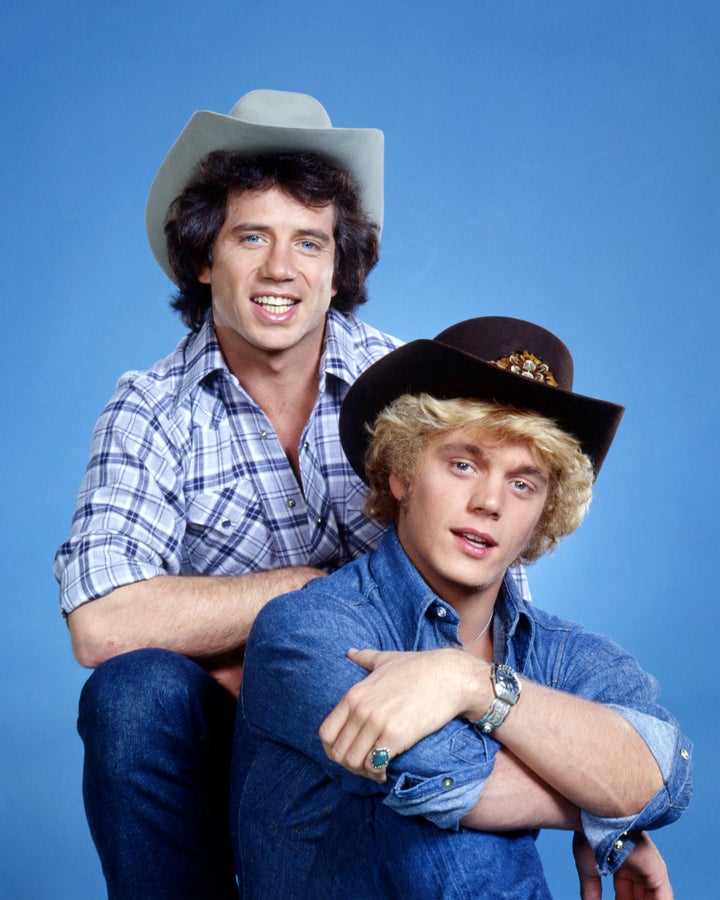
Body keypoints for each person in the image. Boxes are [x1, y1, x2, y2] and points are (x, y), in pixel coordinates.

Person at [53, 90, 405, 898]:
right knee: (132, 694)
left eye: (309, 243)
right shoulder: (149, 407)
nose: (281, 269)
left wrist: (259, 651)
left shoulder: (410, 389)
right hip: (218, 747)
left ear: (337, 266)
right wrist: (305, 593)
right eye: (253, 236)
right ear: (205, 255)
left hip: (377, 722)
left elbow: (492, 612)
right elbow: (105, 624)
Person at [235, 316, 693, 898]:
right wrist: (599, 807)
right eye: (463, 464)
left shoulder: (565, 653)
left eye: (523, 483)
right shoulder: (308, 629)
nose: (490, 503)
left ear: (542, 515)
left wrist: (472, 683)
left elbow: (664, 775)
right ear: (400, 472)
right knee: (446, 826)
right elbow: (446, 783)